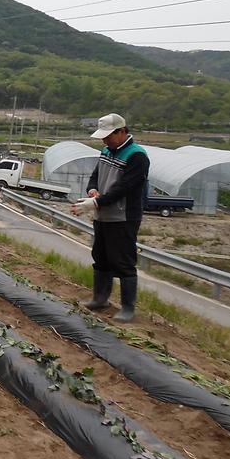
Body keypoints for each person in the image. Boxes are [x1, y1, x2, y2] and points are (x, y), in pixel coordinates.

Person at [71, 113, 150, 323]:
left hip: (124, 217)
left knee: (123, 261)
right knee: (101, 257)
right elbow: (95, 176)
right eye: (103, 137)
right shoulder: (107, 151)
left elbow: (124, 188)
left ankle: (128, 308)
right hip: (104, 215)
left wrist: (95, 203)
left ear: (122, 131)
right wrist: (93, 190)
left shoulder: (136, 156)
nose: (105, 141)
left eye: (108, 136)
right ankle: (100, 298)